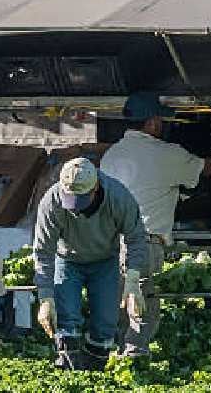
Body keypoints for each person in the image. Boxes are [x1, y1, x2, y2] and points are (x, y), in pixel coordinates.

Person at [100, 92, 211, 357]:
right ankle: (134, 360)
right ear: (151, 123)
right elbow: (203, 169)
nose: (162, 125)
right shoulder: (165, 153)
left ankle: (110, 357)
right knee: (143, 304)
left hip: (110, 243)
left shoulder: (111, 155)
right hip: (143, 245)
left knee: (117, 304)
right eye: (160, 120)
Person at [33, 157, 148, 371]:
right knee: (66, 318)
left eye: (81, 200)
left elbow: (136, 237)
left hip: (105, 261)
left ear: (95, 187)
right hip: (67, 260)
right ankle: (69, 370)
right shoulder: (51, 202)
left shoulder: (118, 197)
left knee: (106, 323)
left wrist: (132, 282)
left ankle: (96, 372)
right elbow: (43, 250)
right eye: (71, 199)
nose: (75, 208)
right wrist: (45, 297)